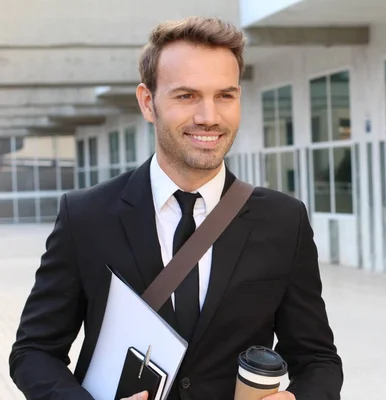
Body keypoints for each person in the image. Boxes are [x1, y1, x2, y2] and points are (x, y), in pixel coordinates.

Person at [9, 16, 343, 400]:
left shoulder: (284, 220)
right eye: (186, 96)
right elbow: (33, 352)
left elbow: (317, 358)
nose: (209, 117)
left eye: (225, 95)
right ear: (148, 102)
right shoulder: (85, 216)